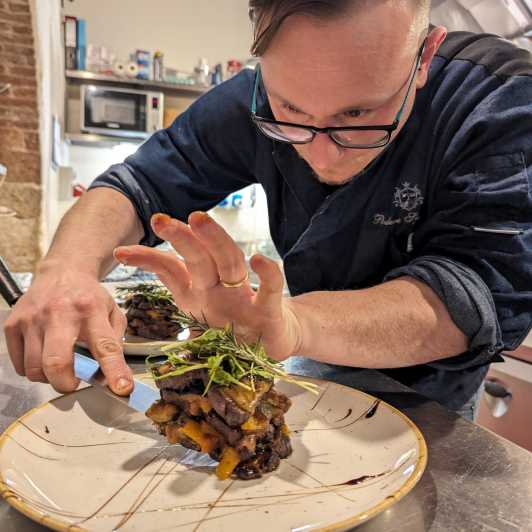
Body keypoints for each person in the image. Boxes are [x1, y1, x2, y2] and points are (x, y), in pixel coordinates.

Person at [5, 0, 532, 421]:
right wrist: (65, 269)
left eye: (360, 115)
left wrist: (292, 324)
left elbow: (476, 288)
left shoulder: (499, 99)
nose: (322, 155)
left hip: (431, 399)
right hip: (303, 376)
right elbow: (135, 182)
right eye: (292, 113)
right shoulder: (248, 99)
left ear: (424, 55)